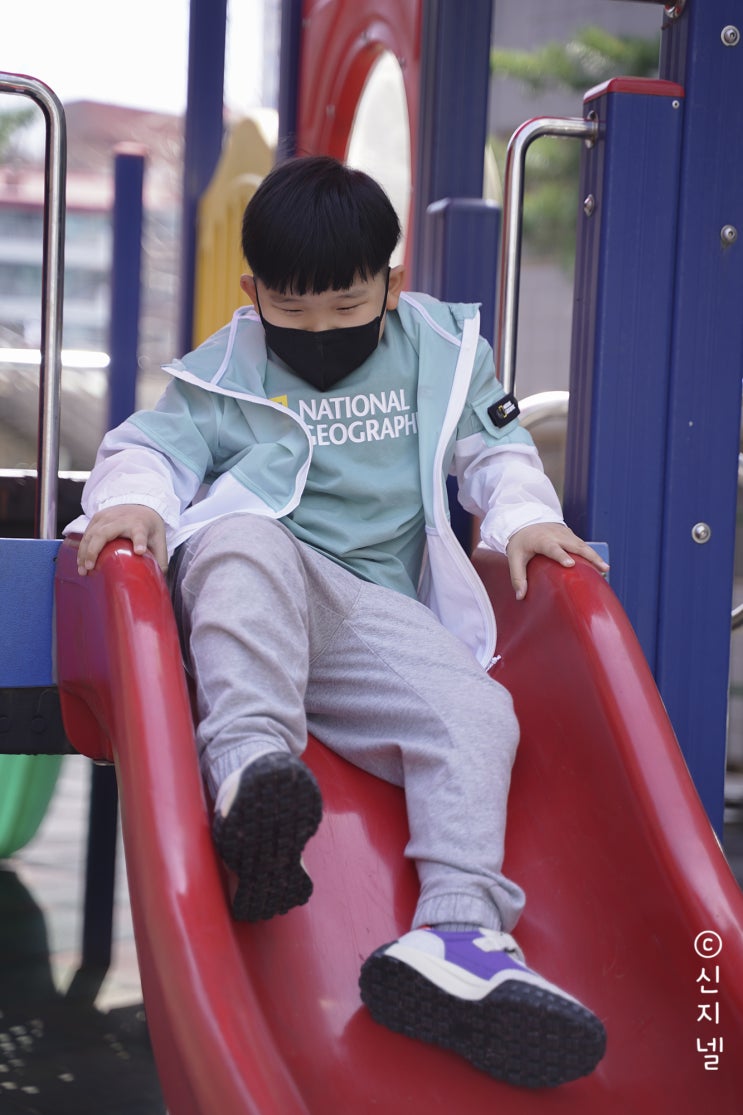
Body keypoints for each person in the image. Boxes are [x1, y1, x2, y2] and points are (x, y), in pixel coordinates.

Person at [68, 155, 608, 1090]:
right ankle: (250, 779)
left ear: (389, 285)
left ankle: (457, 937)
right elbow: (149, 449)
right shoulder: (227, 369)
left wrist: (523, 516)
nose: (320, 329)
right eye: (293, 310)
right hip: (256, 588)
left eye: (347, 306)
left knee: (477, 711)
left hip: (369, 615)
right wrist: (134, 501)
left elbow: (494, 449)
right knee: (238, 535)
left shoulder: (438, 349)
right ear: (254, 294)